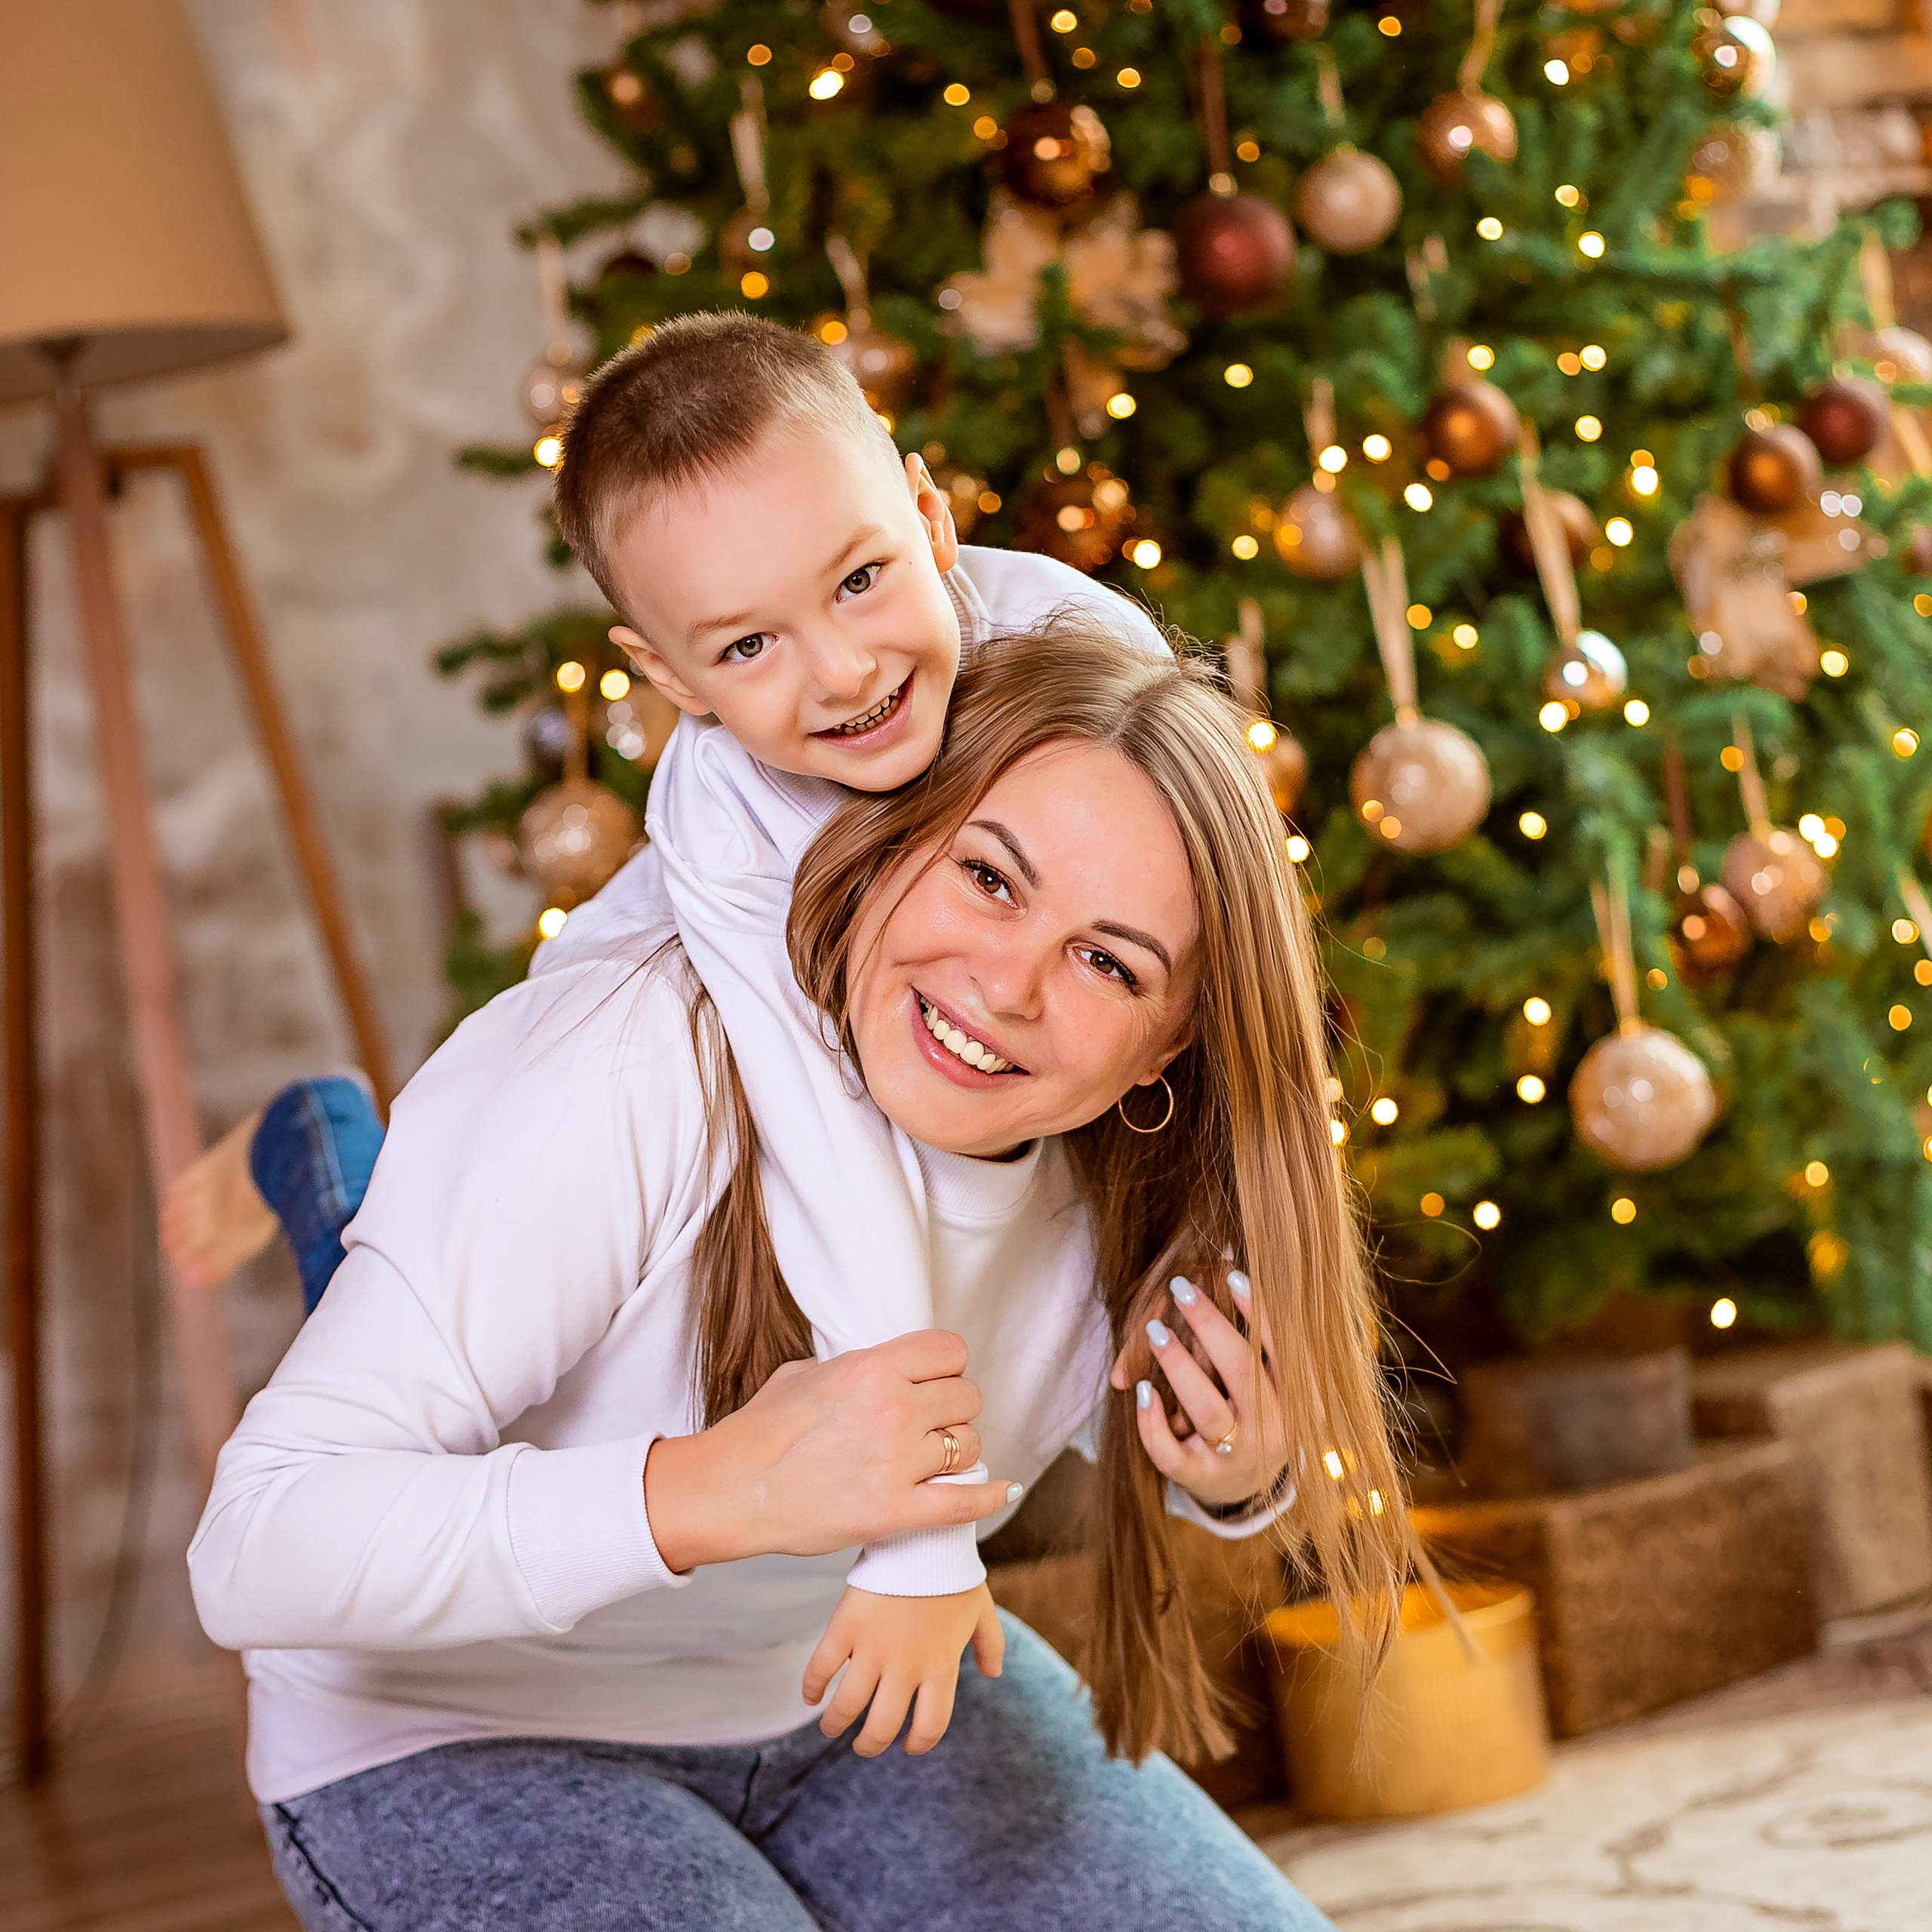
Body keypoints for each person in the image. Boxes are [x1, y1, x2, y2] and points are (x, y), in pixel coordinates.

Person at [189, 624, 1407, 1931]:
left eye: (1109, 961)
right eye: (992, 879)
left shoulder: (1129, 1176)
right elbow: (253, 1553)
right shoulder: (627, 1064)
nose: (1007, 987)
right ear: (896, 840)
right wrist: (724, 1487)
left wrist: (1238, 1478)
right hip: (451, 1724)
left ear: (1166, 1050)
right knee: (387, 1273)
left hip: (836, 1684)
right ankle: (323, 1144)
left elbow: (1166, 1441)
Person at [164, 312, 1171, 1724]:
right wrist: (921, 1536)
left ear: (933, 518)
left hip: (601, 1185)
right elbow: (828, 1144)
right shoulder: (728, 827)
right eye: (750, 645)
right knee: (373, 1245)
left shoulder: (1080, 642)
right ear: (673, 684)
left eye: (865, 578)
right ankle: (314, 1134)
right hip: (572, 1119)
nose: (842, 673)